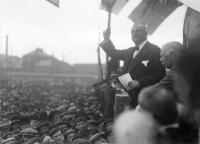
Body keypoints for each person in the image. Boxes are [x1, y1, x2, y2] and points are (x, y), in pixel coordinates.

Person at [100, 24, 165, 107]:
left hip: (143, 97)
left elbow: (160, 73)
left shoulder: (154, 50)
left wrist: (139, 82)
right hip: (126, 95)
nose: (134, 33)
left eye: (138, 30)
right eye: (132, 31)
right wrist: (107, 39)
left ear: (145, 34)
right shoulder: (130, 51)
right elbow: (114, 53)